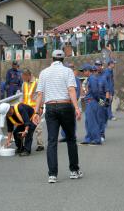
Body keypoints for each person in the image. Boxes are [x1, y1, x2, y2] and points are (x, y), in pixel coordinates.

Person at [33, 50, 83, 183]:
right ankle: (74, 170)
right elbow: (71, 90)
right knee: (71, 138)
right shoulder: (68, 72)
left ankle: (52, 174)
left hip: (50, 107)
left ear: (52, 58)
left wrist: (36, 112)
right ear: (63, 59)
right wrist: (77, 108)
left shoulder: (44, 72)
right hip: (65, 106)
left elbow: (39, 94)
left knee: (52, 141)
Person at [21, 69, 44, 151]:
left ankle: (40, 144)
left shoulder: (37, 82)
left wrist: (41, 107)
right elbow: (23, 96)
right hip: (26, 108)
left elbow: (41, 95)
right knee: (26, 126)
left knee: (37, 126)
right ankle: (24, 145)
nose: (23, 79)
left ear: (28, 75)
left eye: (24, 77)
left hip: (35, 108)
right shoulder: (24, 83)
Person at [59, 63, 81, 143]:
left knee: (71, 119)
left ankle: (72, 135)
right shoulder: (64, 78)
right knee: (63, 119)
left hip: (72, 102)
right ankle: (65, 136)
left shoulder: (76, 79)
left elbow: (77, 92)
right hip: (64, 101)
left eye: (71, 68)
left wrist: (74, 101)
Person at [80, 64, 101, 145]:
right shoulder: (90, 79)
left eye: (84, 71)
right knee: (88, 121)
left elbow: (95, 92)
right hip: (90, 101)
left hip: (92, 101)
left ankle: (96, 139)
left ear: (88, 71)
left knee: (92, 121)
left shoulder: (92, 79)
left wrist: (100, 101)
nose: (83, 73)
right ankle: (88, 138)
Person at [96, 60, 110, 142]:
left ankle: (101, 133)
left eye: (99, 65)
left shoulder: (104, 77)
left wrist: (107, 99)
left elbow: (107, 90)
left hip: (101, 99)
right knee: (96, 117)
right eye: (96, 65)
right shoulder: (92, 77)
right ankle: (99, 133)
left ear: (101, 66)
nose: (98, 66)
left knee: (103, 116)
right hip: (94, 99)